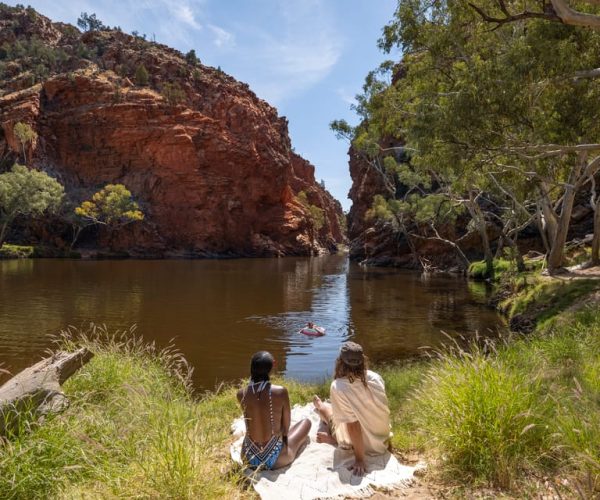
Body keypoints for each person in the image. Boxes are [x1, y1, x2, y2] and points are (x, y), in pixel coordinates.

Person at [313, 342, 392, 476]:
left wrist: (360, 460)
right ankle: (325, 410)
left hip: (364, 447)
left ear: (340, 362)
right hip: (381, 442)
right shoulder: (376, 377)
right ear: (362, 361)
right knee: (341, 410)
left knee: (325, 410)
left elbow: (353, 425)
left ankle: (320, 407)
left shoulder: (338, 386)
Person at [237, 351, 311, 470]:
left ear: (252, 367)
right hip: (276, 458)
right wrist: (283, 441)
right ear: (273, 366)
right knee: (306, 422)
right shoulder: (280, 392)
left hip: (248, 457)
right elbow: (286, 429)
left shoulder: (241, 394)